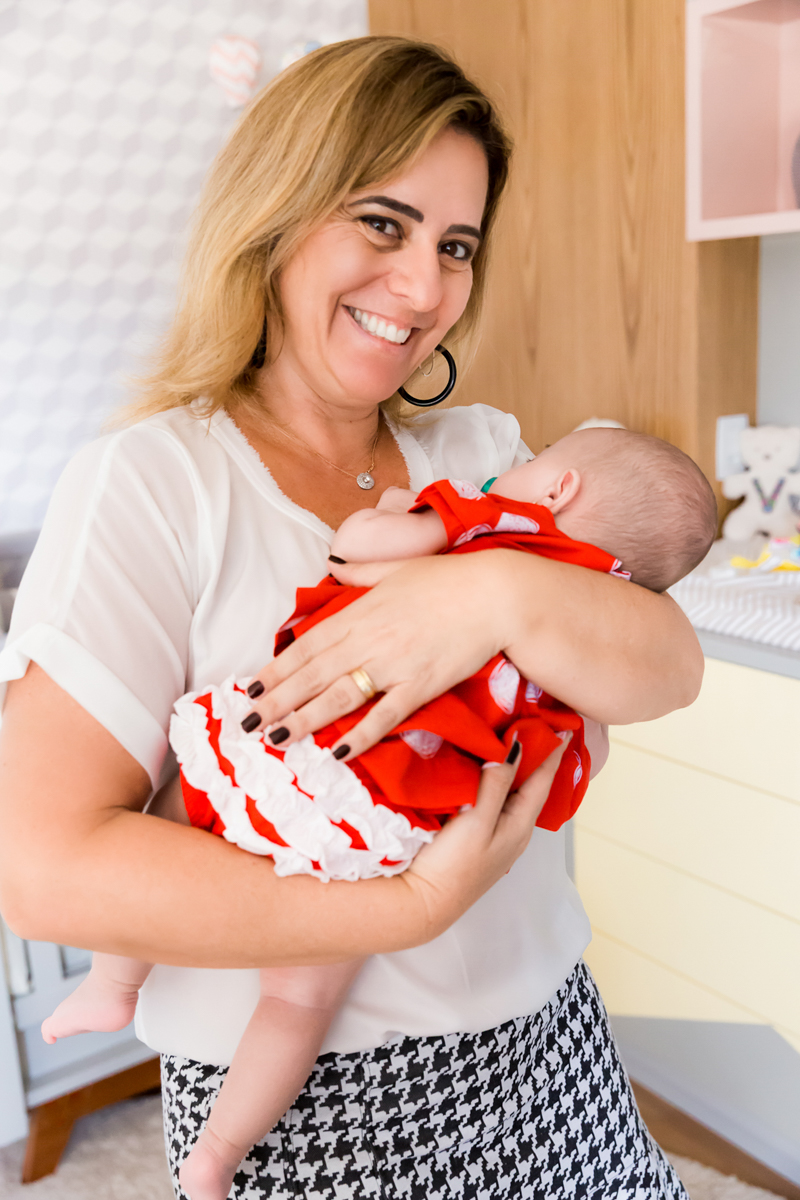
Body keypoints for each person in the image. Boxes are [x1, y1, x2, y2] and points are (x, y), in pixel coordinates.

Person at [0, 37, 700, 1200]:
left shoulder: (485, 457)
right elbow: (41, 870)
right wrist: (406, 908)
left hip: (550, 1048)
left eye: (455, 246)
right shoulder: (152, 485)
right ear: (276, 214)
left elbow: (668, 666)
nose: (422, 290)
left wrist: (493, 590)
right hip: (306, 1109)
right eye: (383, 224)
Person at [39, 426, 716, 1200]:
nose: (516, 471)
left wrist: (415, 522)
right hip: (386, 820)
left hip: (314, 766)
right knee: (297, 1001)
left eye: (540, 467)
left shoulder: (489, 509)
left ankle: (113, 985)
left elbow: (358, 549)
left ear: (559, 490)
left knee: (177, 808)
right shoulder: (596, 590)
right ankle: (217, 1153)